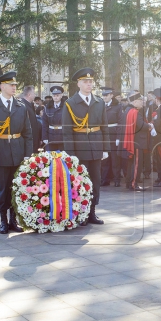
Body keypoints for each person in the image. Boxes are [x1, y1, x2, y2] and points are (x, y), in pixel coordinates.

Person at [0, 71, 34, 233]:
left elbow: (28, 133)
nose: (14, 87)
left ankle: (13, 220)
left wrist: (27, 153)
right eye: (11, 85)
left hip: (18, 152)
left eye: (15, 85)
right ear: (2, 86)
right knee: (4, 188)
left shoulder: (20, 106)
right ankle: (3, 221)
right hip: (1, 152)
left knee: (17, 187)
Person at [62, 68, 109, 225]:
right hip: (79, 148)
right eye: (85, 82)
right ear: (79, 84)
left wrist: (105, 148)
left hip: (96, 146)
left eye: (90, 82)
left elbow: (104, 127)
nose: (89, 84)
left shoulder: (99, 102)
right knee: (80, 182)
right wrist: (70, 154)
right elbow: (67, 132)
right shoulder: (70, 103)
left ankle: (92, 213)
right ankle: (81, 213)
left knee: (96, 180)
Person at [119, 93, 149, 191]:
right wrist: (150, 126)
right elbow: (141, 125)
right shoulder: (135, 112)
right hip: (137, 141)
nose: (142, 103)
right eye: (140, 101)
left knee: (131, 164)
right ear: (135, 102)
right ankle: (133, 184)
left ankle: (129, 182)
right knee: (137, 164)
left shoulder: (128, 110)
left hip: (132, 140)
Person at [101, 87, 123, 186]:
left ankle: (117, 179)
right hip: (103, 135)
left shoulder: (118, 107)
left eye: (106, 95)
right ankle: (105, 180)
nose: (104, 97)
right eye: (103, 95)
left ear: (111, 95)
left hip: (113, 134)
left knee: (115, 159)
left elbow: (120, 123)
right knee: (104, 159)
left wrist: (118, 137)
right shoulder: (100, 106)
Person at [42, 86, 65, 152]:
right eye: (54, 95)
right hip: (51, 136)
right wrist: (44, 137)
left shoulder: (66, 107)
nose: (56, 97)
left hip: (62, 136)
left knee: (63, 157)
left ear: (61, 95)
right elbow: (45, 124)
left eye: (57, 95)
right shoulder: (48, 107)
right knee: (51, 157)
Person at [20, 86, 42, 153]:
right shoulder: (22, 105)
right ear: (29, 95)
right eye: (34, 93)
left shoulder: (30, 104)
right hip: (28, 139)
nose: (35, 95)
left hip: (34, 138)